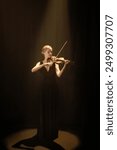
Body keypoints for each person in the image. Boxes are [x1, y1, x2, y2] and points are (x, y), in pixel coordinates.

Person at [12, 45, 70, 149]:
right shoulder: (40, 63)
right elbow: (33, 70)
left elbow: (59, 75)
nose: (51, 54)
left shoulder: (55, 63)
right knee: (44, 111)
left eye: (51, 52)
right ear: (43, 52)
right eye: (49, 52)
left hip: (53, 89)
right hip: (43, 90)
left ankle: (51, 133)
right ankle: (43, 133)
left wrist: (64, 65)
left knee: (51, 110)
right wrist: (45, 64)